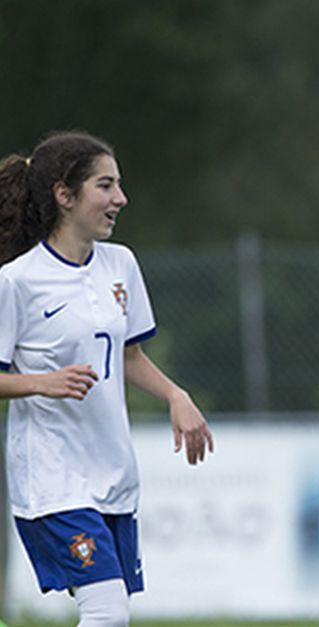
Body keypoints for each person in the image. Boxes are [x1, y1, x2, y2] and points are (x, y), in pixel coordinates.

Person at [0, 131, 214, 627]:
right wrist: (41, 382)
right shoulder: (17, 280)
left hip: (113, 472)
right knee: (107, 611)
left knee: (111, 612)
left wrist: (175, 395)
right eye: (106, 185)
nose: (121, 198)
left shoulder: (121, 264)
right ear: (64, 194)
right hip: (52, 477)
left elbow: (129, 356)